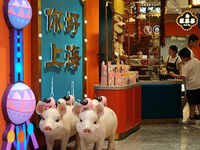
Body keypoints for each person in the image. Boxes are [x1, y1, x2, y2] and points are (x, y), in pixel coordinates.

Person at [169, 48, 200, 124]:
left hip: (191, 87)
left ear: (185, 57)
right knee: (199, 103)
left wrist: (174, 75)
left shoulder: (187, 65)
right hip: (199, 85)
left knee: (192, 104)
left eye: (182, 58)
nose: (181, 59)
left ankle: (191, 119)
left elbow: (183, 76)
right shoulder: (197, 61)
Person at [182, 34, 199, 119]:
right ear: (191, 41)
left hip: (191, 81)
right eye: (195, 42)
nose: (196, 44)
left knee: (190, 98)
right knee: (191, 100)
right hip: (192, 81)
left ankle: (190, 115)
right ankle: (191, 115)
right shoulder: (189, 52)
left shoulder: (189, 51)